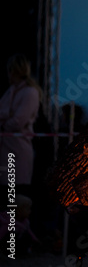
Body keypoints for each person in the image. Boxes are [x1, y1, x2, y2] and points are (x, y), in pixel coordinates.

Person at [0, 54, 41, 200]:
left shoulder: (30, 93)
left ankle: (15, 223)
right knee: (6, 195)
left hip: (18, 152)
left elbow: (18, 121)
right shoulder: (11, 91)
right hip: (6, 150)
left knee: (17, 194)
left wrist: (5, 121)